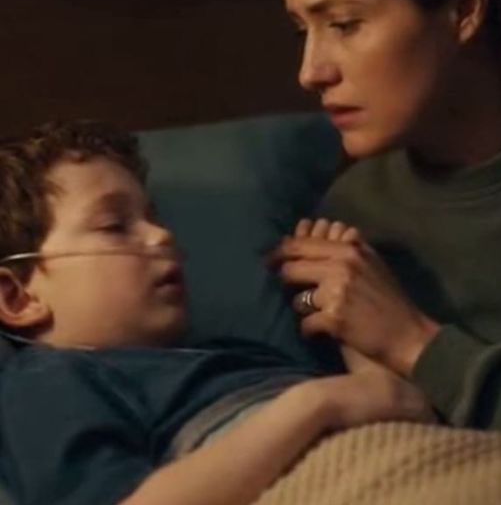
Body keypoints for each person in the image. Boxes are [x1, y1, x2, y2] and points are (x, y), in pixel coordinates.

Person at [0, 120, 431, 505]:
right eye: (114, 226)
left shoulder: (235, 355)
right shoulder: (48, 382)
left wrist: (339, 308)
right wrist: (317, 404)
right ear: (17, 298)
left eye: (153, 217)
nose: (161, 235)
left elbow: (394, 402)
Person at [274, 0, 501, 431]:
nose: (311, 72)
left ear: (463, 9)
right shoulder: (354, 211)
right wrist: (316, 309)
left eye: (344, 23)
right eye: (302, 30)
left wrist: (412, 342)